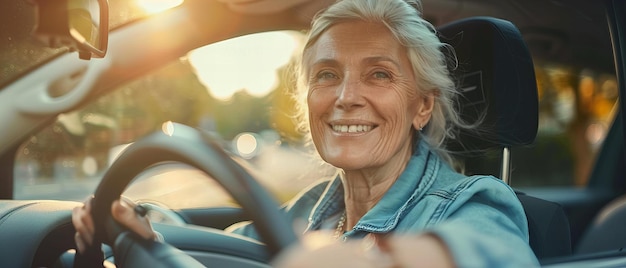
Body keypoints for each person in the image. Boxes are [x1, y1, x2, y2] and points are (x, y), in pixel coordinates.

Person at [73, 0, 540, 266]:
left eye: (379, 74)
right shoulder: (313, 206)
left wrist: (377, 263)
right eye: (327, 75)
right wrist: (145, 227)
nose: (346, 97)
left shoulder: (475, 200)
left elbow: (498, 255)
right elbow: (230, 248)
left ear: (422, 106)